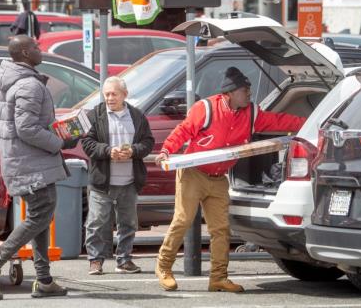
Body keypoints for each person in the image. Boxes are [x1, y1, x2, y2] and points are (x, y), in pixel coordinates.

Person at [154, 67, 307, 293]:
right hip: (193, 174)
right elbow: (183, 130)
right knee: (183, 220)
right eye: (245, 90)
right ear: (230, 93)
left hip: (218, 178)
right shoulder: (205, 108)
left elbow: (279, 120)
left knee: (221, 230)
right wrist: (166, 150)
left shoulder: (252, 113)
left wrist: (310, 123)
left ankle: (218, 278)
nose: (249, 94)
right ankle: (164, 267)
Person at [0, 35, 79, 300]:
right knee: (40, 215)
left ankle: (44, 280)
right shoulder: (28, 85)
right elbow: (27, 128)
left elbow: (27, 124)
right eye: (35, 47)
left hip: (26, 161)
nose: (40, 50)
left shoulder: (16, 80)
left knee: (40, 218)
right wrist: (57, 143)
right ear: (24, 53)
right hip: (31, 162)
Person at [81, 76, 154, 275]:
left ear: (125, 95)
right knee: (96, 223)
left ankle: (124, 260)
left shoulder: (137, 116)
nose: (110, 98)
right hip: (102, 182)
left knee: (128, 223)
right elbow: (87, 143)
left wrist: (133, 151)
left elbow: (148, 143)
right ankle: (95, 260)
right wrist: (107, 151)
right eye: (106, 94)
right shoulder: (94, 115)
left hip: (129, 181)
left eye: (114, 94)